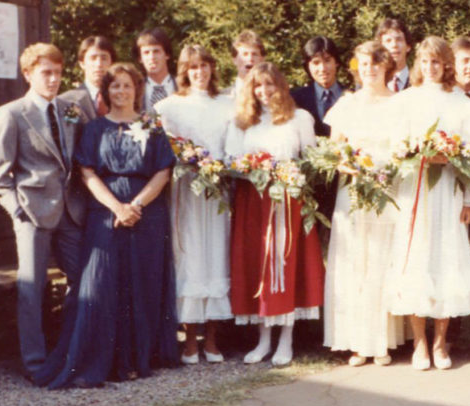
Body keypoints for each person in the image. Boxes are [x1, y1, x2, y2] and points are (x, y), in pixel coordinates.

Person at [34, 63, 178, 388]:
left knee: (141, 282)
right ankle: (103, 358)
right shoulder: (94, 128)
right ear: (106, 91)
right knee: (101, 282)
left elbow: (163, 172)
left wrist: (136, 205)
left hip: (146, 214)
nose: (121, 92)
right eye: (115, 86)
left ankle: (139, 357)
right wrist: (117, 207)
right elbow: (87, 173)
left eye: (127, 86)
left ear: (136, 89)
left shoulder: (151, 126)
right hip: (105, 213)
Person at [0, 43, 86, 378]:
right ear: (28, 74)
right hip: (32, 212)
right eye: (46, 72)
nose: (54, 79)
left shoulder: (70, 109)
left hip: (72, 212)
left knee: (83, 280)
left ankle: (71, 351)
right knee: (31, 288)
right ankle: (35, 363)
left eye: (58, 73)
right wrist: (18, 211)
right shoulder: (12, 113)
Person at [385, 36, 470, 370]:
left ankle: (441, 343)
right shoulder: (406, 100)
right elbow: (396, 148)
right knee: (418, 261)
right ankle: (419, 344)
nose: (431, 67)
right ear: (418, 66)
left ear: (447, 64)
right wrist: (416, 153)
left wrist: (469, 199)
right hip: (416, 190)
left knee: (446, 261)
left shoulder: (460, 102)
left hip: (449, 190)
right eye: (425, 62)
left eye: (437, 62)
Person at [226, 63, 325, 366]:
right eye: (258, 86)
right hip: (253, 202)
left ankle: (286, 339)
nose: (264, 92)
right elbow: (230, 161)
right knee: (258, 266)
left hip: (288, 201)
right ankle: (263, 339)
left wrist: (288, 173)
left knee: (286, 265)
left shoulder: (299, 119)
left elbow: (311, 162)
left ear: (280, 86)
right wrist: (254, 167)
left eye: (270, 85)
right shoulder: (242, 122)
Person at [323, 42, 404, 366]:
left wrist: (384, 171)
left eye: (375, 63)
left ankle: (380, 343)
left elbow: (404, 150)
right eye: (363, 64)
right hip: (354, 192)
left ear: (386, 66)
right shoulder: (347, 104)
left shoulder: (399, 105)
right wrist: (352, 168)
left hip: (387, 192)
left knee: (382, 264)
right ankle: (357, 343)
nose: (369, 69)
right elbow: (333, 152)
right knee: (355, 264)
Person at [155, 45, 233, 363]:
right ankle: (189, 339)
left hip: (217, 191)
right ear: (184, 71)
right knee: (188, 256)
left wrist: (220, 166)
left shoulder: (226, 104)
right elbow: (163, 149)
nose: (199, 72)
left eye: (204, 66)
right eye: (193, 67)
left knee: (216, 255)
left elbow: (233, 146)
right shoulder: (169, 107)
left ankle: (212, 339)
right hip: (186, 191)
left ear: (212, 69)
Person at [291, 36, 345, 138]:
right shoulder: (296, 99)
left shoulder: (351, 96)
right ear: (308, 66)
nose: (322, 68)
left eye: (327, 61)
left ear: (336, 62)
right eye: (316, 63)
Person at [60, 36, 116, 121]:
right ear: (82, 63)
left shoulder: (122, 97)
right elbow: (69, 133)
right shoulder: (68, 101)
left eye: (104, 58)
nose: (99, 64)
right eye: (93, 58)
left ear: (111, 63)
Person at [135, 28, 176, 110]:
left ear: (167, 54)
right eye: (146, 53)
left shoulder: (183, 86)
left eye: (156, 51)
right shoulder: (135, 90)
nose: (152, 57)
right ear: (140, 58)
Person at [225, 30, 266, 97]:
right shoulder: (223, 97)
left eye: (255, 54)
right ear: (234, 59)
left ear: (262, 59)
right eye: (245, 54)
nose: (250, 58)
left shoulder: (272, 98)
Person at [374, 18, 412, 92]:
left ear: (408, 46)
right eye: (388, 41)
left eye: (399, 40)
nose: (394, 45)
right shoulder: (372, 83)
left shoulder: (420, 83)